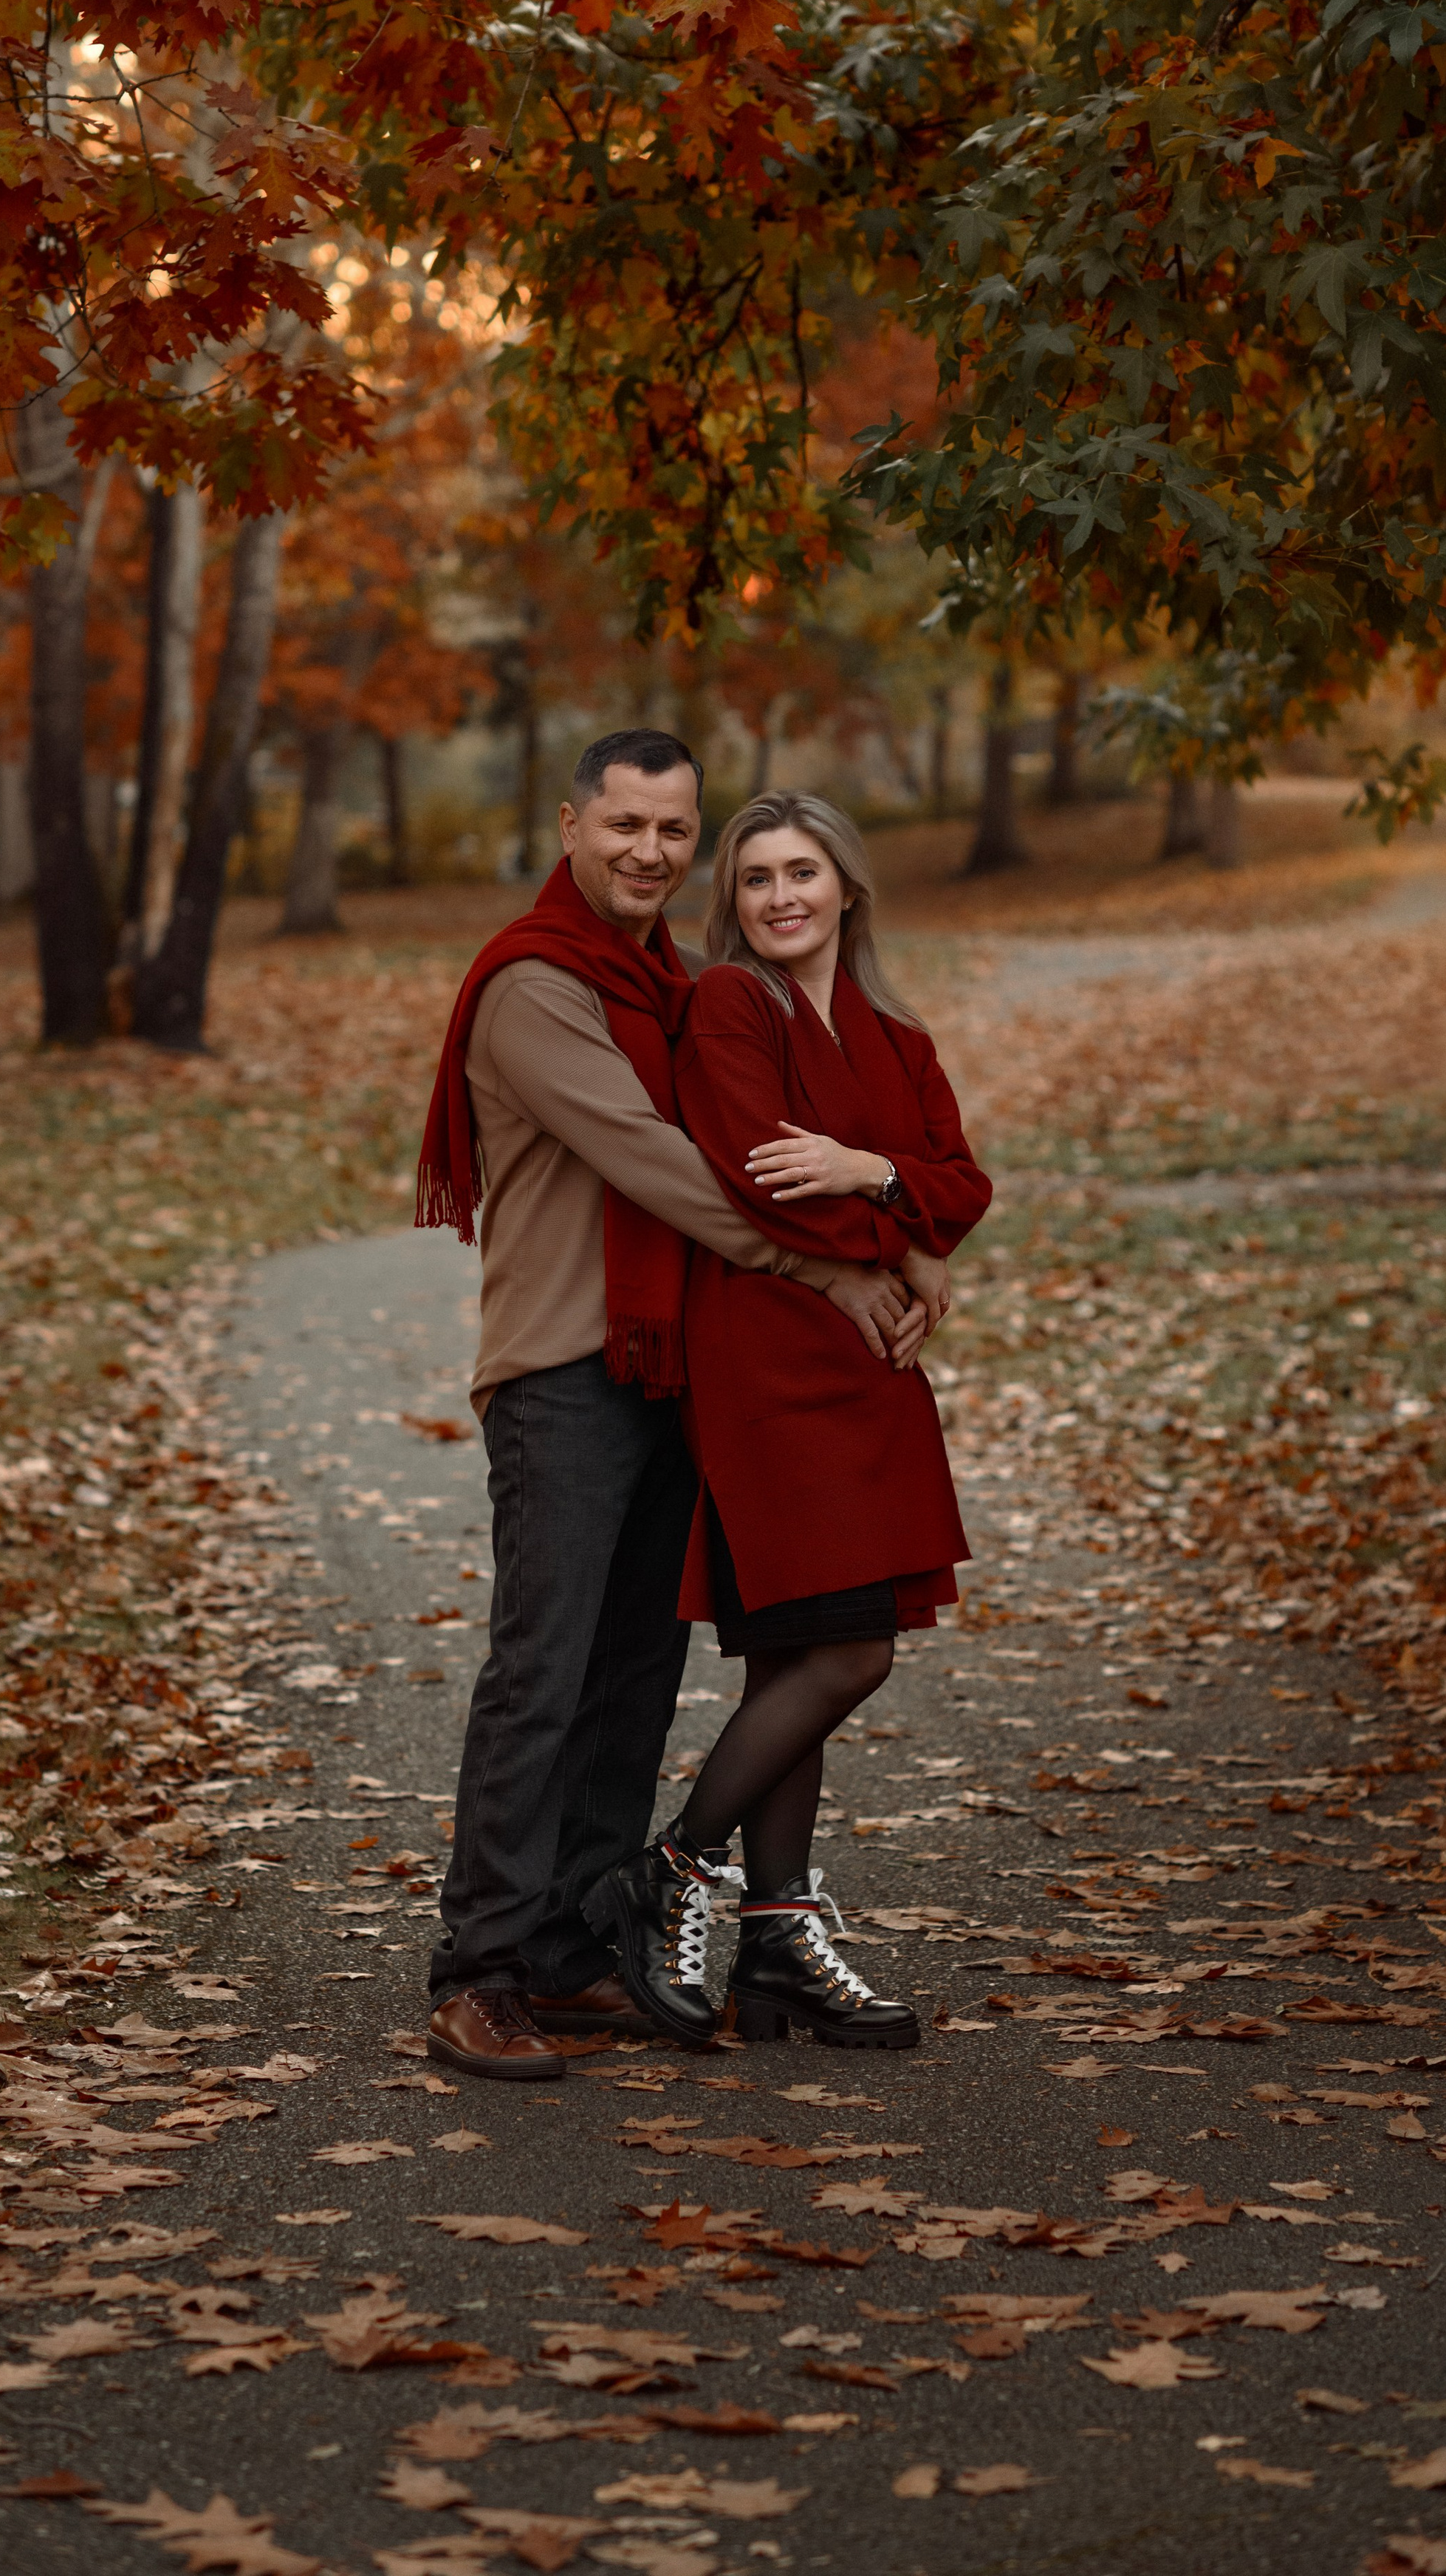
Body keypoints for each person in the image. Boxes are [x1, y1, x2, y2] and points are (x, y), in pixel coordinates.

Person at [413, 733, 923, 2081]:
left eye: (673, 830)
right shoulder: (536, 987)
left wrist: (905, 1241)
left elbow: (793, 1136)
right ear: (572, 822)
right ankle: (480, 1967)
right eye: (625, 823)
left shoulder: (678, 986)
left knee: (632, 1674)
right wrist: (826, 1267)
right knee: (544, 1667)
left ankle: (576, 1947)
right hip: (561, 1368)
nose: (649, 850)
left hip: (670, 1366)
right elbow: (672, 1171)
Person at [581, 792, 993, 2050]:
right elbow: (764, 1182)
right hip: (766, 1354)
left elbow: (961, 1184)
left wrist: (877, 1182)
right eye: (754, 878)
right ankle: (676, 1866)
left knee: (795, 1658)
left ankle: (778, 1956)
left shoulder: (896, 1034)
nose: (778, 898)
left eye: (801, 872)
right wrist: (900, 1240)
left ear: (847, 888)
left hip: (869, 1368)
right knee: (849, 1651)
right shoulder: (728, 1008)